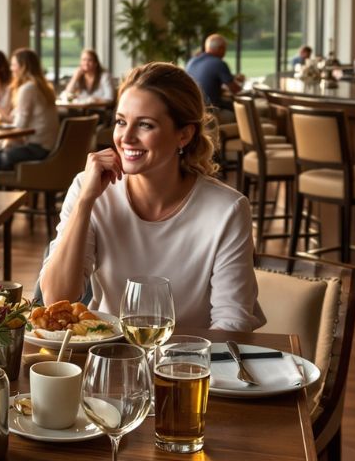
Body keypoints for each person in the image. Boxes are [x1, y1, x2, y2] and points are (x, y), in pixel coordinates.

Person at [39, 62, 264, 332]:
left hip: (189, 365)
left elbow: (233, 323)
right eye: (121, 122)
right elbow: (56, 299)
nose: (126, 138)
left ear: (184, 134)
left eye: (145, 125)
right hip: (111, 357)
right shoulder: (89, 189)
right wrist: (85, 202)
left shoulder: (227, 209)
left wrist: (181, 365)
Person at [0, 48, 59, 171]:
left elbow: (19, 126)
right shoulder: (43, 87)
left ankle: (7, 188)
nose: (11, 69)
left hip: (38, 148)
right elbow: (20, 119)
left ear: (23, 67)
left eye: (13, 65)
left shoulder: (27, 89)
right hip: (51, 146)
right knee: (0, 148)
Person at [185, 33, 242, 121]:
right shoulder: (219, 63)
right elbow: (236, 90)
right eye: (224, 49)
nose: (225, 52)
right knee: (240, 114)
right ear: (220, 48)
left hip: (192, 111)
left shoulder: (191, 61)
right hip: (209, 113)